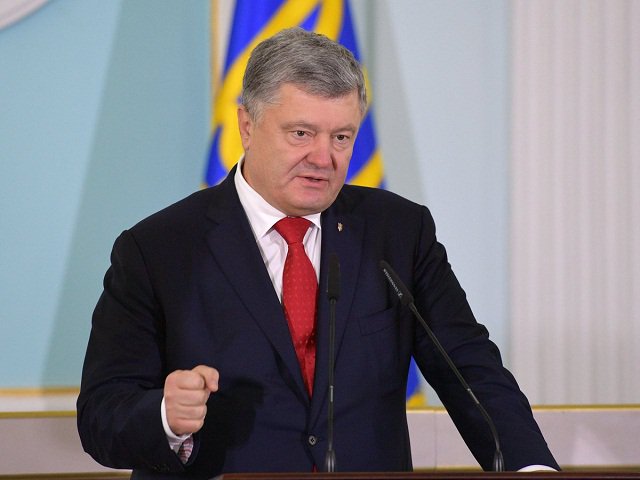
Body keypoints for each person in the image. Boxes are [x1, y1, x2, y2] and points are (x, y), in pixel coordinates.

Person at [77, 27, 559, 479]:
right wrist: (166, 417)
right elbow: (101, 416)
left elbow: (469, 367)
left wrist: (530, 468)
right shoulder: (157, 249)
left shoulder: (397, 232)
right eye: (301, 133)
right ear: (247, 125)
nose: (324, 158)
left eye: (341, 137)